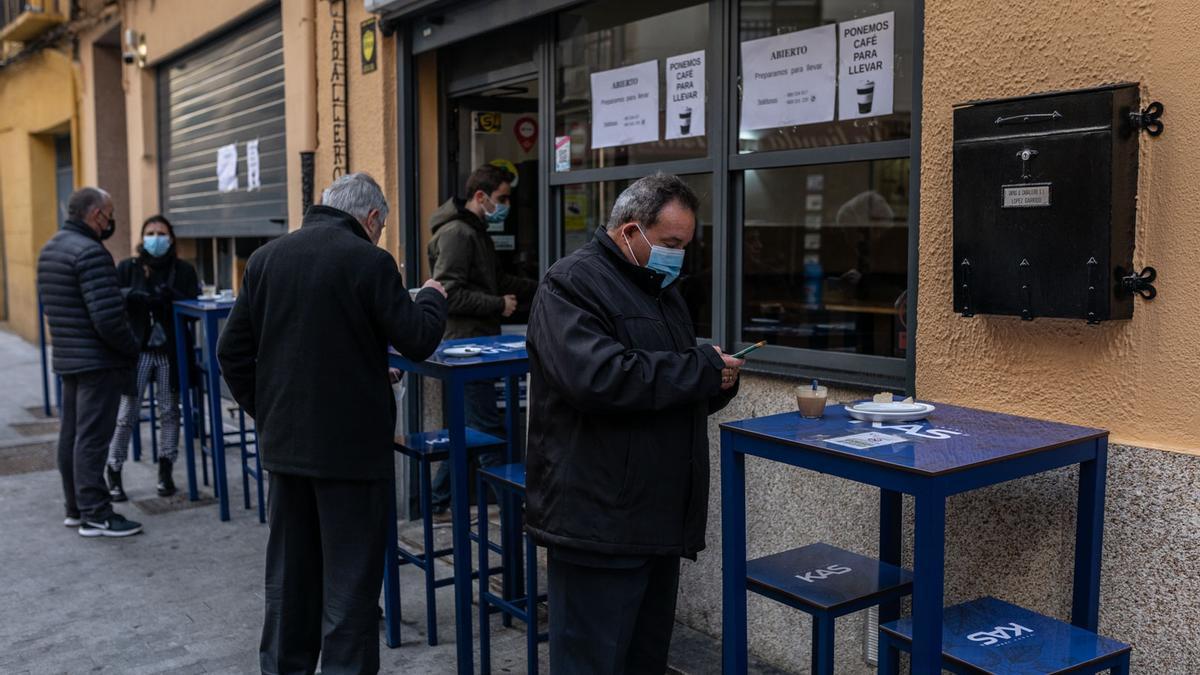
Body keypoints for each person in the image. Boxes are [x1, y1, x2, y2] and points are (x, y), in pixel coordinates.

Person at [217, 173, 447, 674]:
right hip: (351, 457)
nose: (381, 236)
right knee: (348, 591)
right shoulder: (368, 260)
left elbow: (233, 351)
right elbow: (417, 338)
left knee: (290, 583)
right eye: (381, 227)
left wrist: (272, 412)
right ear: (370, 219)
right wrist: (431, 295)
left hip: (286, 452)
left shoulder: (265, 259)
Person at [526, 173, 744, 673]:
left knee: (643, 660)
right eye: (671, 243)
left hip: (654, 519)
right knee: (592, 662)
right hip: (597, 522)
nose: (679, 257)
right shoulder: (570, 283)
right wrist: (698, 368)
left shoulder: (661, 289)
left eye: (686, 245)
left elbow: (662, 389)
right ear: (629, 231)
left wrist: (715, 384)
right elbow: (599, 378)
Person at [426, 164, 537, 519]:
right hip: (467, 348)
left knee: (473, 431)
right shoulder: (458, 234)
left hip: (477, 345)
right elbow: (449, 293)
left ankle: (435, 500)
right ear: (480, 196)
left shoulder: (475, 231)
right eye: (501, 198)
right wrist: (497, 304)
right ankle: (513, 509)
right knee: (487, 431)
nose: (505, 205)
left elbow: (494, 278)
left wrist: (539, 285)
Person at [36, 187, 143, 537]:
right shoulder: (90, 252)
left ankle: (75, 508)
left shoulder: (52, 248)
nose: (111, 221)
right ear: (97, 214)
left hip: (69, 358)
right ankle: (96, 513)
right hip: (97, 362)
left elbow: (70, 303)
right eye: (110, 214)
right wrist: (131, 347)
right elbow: (108, 320)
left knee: (72, 436)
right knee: (93, 439)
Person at [105, 215, 200, 501]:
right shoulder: (128, 268)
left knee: (170, 412)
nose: (155, 238)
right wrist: (132, 295)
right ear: (142, 237)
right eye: (150, 233)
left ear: (170, 239)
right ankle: (114, 470)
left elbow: (193, 302)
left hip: (170, 352)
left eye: (161, 233)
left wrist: (173, 296)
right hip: (139, 351)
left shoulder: (182, 269)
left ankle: (165, 470)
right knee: (126, 414)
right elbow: (112, 297)